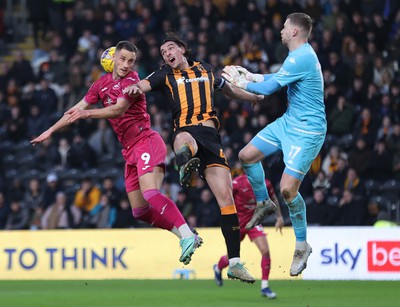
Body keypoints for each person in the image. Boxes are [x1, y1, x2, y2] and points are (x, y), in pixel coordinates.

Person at [31, 40, 201, 265]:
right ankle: (186, 235)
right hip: (129, 151)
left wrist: (87, 115)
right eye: (122, 59)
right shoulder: (100, 85)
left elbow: (118, 109)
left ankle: (187, 234)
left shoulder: (132, 80)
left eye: (131, 61)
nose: (126, 65)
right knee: (140, 211)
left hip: (146, 141)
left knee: (151, 194)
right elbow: (75, 110)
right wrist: (50, 130)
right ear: (112, 60)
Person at [123, 33, 265, 283]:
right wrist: (134, 87)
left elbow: (229, 90)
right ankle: (185, 164)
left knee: (227, 200)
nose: (166, 53)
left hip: (212, 137)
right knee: (183, 142)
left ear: (182, 49)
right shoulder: (163, 75)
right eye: (163, 51)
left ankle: (233, 263)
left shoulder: (206, 69)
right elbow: (142, 85)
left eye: (170, 48)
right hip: (186, 130)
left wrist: (253, 97)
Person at [222, 13, 326, 276]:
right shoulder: (297, 56)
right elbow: (277, 76)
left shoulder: (303, 56)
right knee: (247, 156)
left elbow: (269, 90)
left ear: (294, 32)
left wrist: (240, 81)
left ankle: (302, 245)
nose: (280, 30)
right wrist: (253, 75)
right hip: (289, 122)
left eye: (284, 26)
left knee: (288, 191)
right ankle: (264, 203)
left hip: (308, 130)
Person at [213, 173, 284, 299]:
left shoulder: (265, 183)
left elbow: (273, 199)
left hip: (254, 221)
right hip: (238, 222)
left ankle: (265, 287)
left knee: (265, 251)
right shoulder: (237, 183)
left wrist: (279, 217)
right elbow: (224, 198)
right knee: (231, 257)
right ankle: (218, 267)